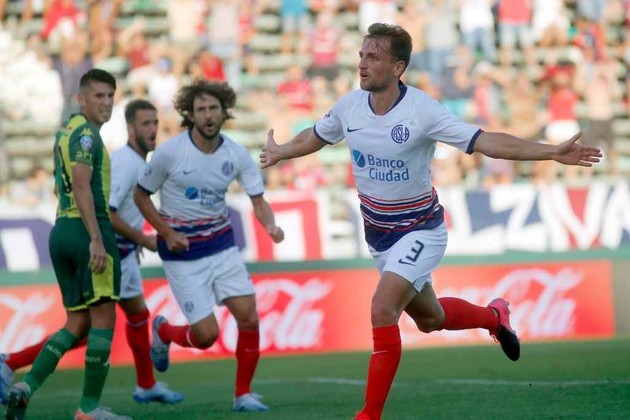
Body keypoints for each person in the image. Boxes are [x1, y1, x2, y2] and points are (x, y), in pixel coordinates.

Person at [259, 23, 602, 420]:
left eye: (373, 57)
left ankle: (369, 415)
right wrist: (282, 151)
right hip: (379, 236)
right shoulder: (349, 106)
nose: (362, 64)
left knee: (382, 308)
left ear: (398, 67)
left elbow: (486, 141)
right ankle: (494, 317)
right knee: (430, 319)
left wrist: (550, 152)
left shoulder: (423, 111)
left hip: (420, 230)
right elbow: (317, 135)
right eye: (361, 56)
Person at [0, 99, 184, 410]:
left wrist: (134, 242)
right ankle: (19, 367)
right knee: (87, 328)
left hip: (121, 251)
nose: (153, 129)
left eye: (155, 123)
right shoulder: (126, 163)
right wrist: (141, 238)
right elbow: (107, 212)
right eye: (145, 124)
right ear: (130, 129)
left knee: (132, 317)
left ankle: (146, 384)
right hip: (107, 252)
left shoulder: (135, 161)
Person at [133, 79, 285, 412]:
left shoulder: (236, 153)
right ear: (190, 114)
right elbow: (140, 195)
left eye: (213, 108)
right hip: (182, 253)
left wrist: (270, 225)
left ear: (223, 111)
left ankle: (243, 394)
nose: (208, 115)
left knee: (249, 317)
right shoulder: (170, 152)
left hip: (221, 245)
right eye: (200, 109)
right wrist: (165, 232)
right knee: (206, 336)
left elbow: (258, 200)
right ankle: (164, 332)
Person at [4, 69, 131, 420]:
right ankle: (88, 408)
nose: (106, 102)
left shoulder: (66, 132)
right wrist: (96, 238)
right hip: (86, 230)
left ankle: (25, 387)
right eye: (98, 96)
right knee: (104, 319)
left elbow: (62, 184)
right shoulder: (87, 135)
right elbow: (80, 183)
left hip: (61, 229)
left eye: (110, 96)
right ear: (81, 99)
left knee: (76, 324)